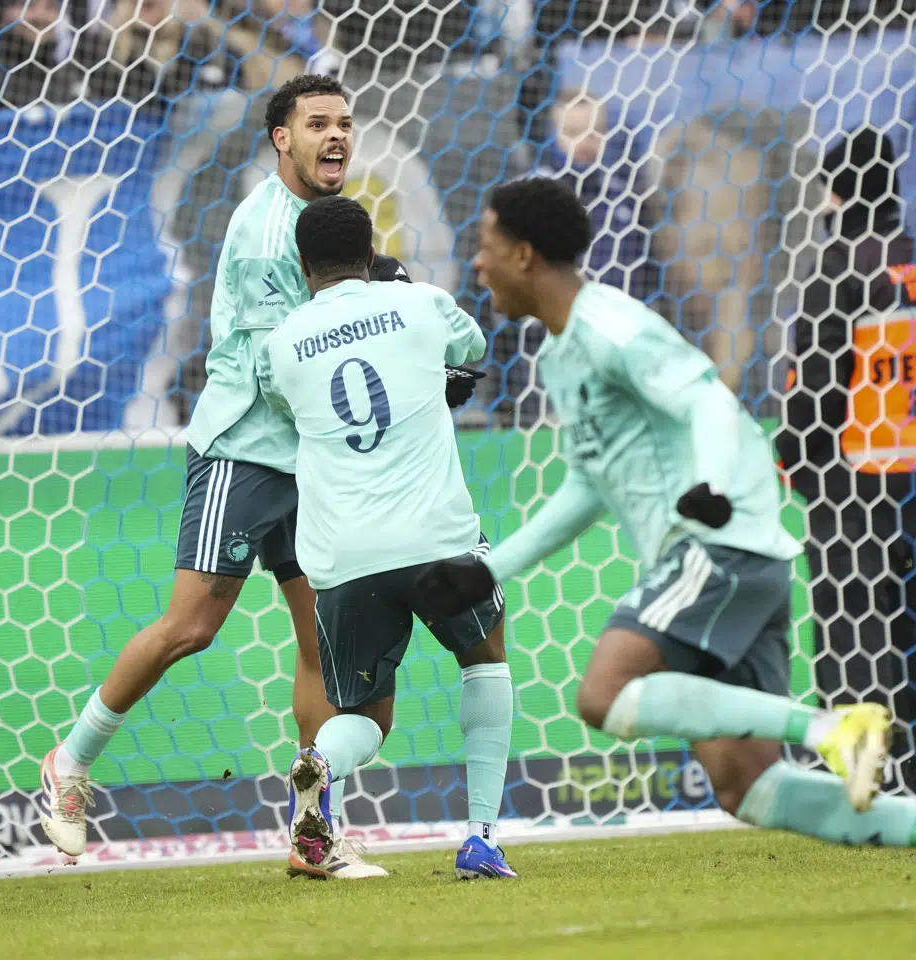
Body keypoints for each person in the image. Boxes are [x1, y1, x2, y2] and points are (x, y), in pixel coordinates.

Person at [425, 176, 916, 850]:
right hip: (734, 557)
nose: (475, 263)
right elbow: (586, 486)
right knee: (746, 786)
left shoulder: (612, 326)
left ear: (524, 254)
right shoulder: (560, 352)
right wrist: (491, 570)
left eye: (484, 245)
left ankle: (833, 728)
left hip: (718, 546)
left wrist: (710, 487)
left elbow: (706, 400)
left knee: (604, 693)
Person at [37, 74, 385, 876]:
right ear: (281, 139)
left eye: (345, 123)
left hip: (308, 456)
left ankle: (312, 830)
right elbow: (277, 366)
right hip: (247, 448)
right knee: (191, 628)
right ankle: (71, 762)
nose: (336, 136)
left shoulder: (326, 224)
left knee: (322, 642)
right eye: (317, 124)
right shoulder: (269, 232)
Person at [256, 196, 516, 879]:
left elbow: (281, 396)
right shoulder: (421, 304)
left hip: (343, 556)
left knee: (367, 716)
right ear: (372, 255)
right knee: (484, 657)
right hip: (436, 537)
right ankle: (481, 837)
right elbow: (473, 351)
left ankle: (319, 762)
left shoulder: (281, 344)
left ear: (303, 266)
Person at [775, 127, 916, 791]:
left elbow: (819, 379)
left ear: (834, 189)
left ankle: (867, 776)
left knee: (853, 627)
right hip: (908, 479)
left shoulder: (839, 266)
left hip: (853, 483)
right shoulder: (909, 254)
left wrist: (794, 457)